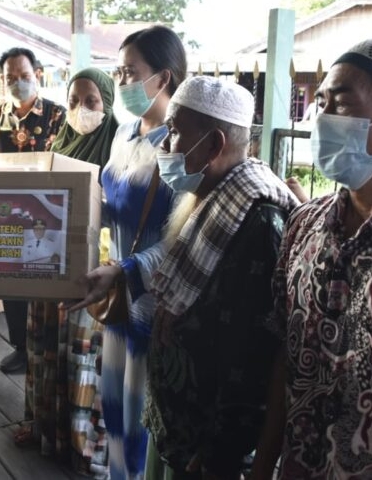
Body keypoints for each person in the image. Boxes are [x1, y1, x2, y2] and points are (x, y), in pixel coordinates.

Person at [252, 35, 372, 479]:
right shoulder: (303, 227)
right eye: (322, 103)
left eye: (341, 106)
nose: (321, 120)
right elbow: (284, 359)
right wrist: (262, 466)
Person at [138, 76, 299, 479]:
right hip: (177, 429)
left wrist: (220, 451)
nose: (164, 145)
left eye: (174, 132)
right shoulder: (212, 195)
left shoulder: (258, 221)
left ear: (213, 145)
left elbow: (255, 356)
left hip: (205, 452)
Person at [68, 25, 186, 480]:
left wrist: (126, 268)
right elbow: (103, 203)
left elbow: (184, 237)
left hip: (155, 305)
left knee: (145, 416)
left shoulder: (181, 144)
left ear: (165, 77)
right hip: (116, 293)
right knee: (114, 401)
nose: (121, 82)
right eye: (117, 71)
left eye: (130, 72)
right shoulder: (125, 135)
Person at [20, 67, 120, 476]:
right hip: (46, 262)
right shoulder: (58, 144)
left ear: (108, 103)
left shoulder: (118, 150)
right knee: (45, 347)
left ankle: (81, 444)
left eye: (92, 101)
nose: (82, 109)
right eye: (75, 101)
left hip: (88, 272)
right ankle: (47, 429)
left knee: (80, 356)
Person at [0, 46, 66, 373]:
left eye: (24, 76)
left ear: (38, 74)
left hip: (48, 212)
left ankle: (49, 345)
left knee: (46, 276)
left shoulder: (58, 115)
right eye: (11, 78)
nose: (18, 82)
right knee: (12, 282)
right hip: (9, 211)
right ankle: (20, 346)